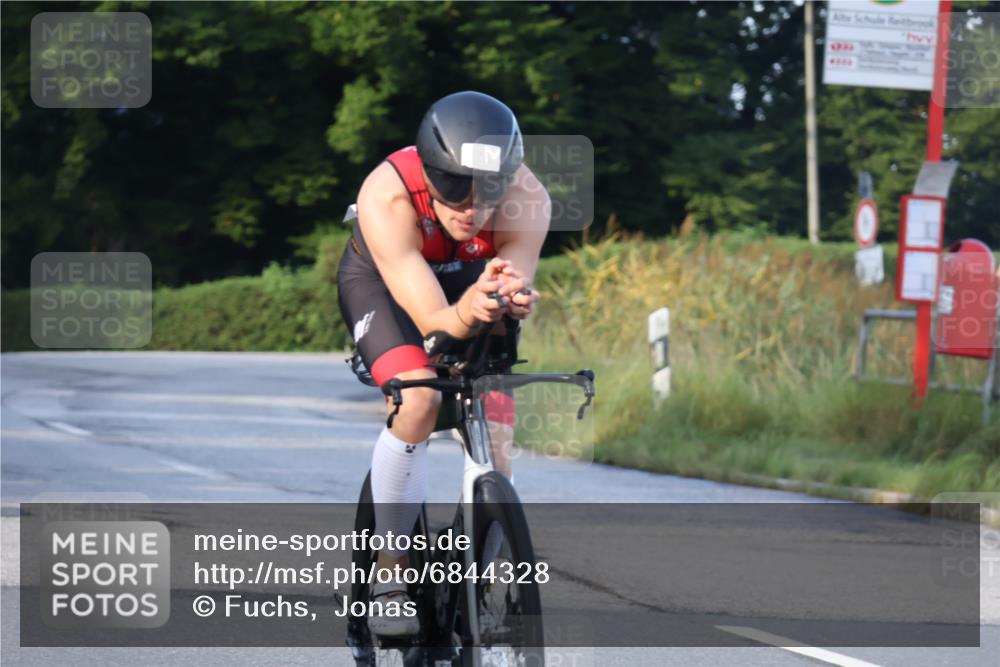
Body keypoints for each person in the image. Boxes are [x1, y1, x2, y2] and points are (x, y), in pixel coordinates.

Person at [337, 91, 550, 636]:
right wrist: (468, 311)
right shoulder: (387, 194)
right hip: (387, 286)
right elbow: (433, 320)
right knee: (419, 399)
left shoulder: (528, 196)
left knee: (497, 432)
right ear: (430, 171)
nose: (471, 208)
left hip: (467, 281)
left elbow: (512, 280)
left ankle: (478, 580)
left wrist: (511, 295)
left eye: (489, 191)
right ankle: (390, 574)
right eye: (455, 188)